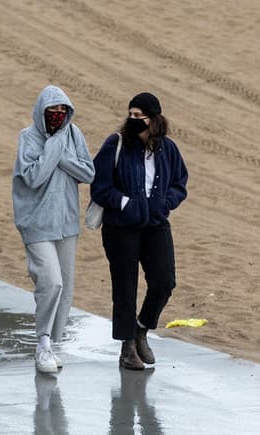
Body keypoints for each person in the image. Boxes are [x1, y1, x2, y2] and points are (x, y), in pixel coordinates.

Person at [90, 92, 188, 370]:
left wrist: (164, 203)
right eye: (130, 115)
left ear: (154, 119)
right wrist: (125, 203)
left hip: (155, 225)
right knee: (125, 286)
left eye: (139, 116)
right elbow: (100, 187)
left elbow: (180, 183)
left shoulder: (168, 149)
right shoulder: (116, 144)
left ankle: (142, 329)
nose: (133, 120)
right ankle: (127, 347)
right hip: (121, 227)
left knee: (164, 281)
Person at [12, 85, 95, 373]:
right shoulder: (28, 137)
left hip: (67, 223)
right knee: (51, 281)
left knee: (66, 287)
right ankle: (42, 343)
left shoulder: (74, 134)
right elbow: (33, 177)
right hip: (36, 223)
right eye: (52, 111)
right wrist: (54, 148)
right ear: (42, 112)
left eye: (62, 111)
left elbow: (88, 172)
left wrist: (61, 153)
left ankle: (53, 343)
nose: (58, 115)